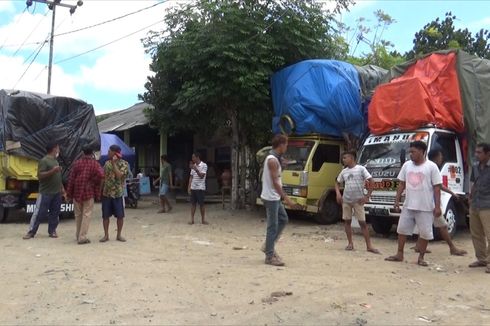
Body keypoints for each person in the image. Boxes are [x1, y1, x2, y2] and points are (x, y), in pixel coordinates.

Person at [385, 141, 442, 267]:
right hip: (408, 205)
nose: (411, 154)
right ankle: (399, 254)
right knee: (402, 230)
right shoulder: (407, 165)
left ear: (422, 151)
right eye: (410, 152)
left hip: (425, 206)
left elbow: (437, 187)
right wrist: (396, 201)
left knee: (425, 233)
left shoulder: (431, 167)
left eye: (413, 152)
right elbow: (401, 184)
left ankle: (421, 258)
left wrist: (437, 206)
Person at [411, 149, 466, 256]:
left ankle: (419, 246)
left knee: (423, 225)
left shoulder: (424, 167)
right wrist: (452, 193)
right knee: (443, 226)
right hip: (431, 203)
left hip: (423, 202)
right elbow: (439, 186)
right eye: (440, 157)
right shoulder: (433, 168)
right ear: (436, 157)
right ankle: (452, 248)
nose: (442, 159)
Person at [261, 134, 300, 266]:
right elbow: (275, 183)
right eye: (286, 144)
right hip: (271, 196)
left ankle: (268, 246)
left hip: (274, 196)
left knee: (283, 219)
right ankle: (269, 255)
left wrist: (283, 165)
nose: (287, 147)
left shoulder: (275, 158)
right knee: (272, 226)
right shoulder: (272, 160)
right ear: (281, 145)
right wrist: (287, 198)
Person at [335, 151, 380, 254]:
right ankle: (350, 243)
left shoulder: (361, 169)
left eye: (345, 158)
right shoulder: (344, 171)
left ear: (352, 158)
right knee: (347, 221)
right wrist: (338, 194)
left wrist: (367, 196)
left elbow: (371, 181)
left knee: (363, 223)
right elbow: (337, 183)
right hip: (346, 200)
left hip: (358, 201)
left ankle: (369, 246)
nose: (343, 160)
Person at [23, 142, 65, 239]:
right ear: (54, 149)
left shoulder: (55, 161)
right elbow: (40, 176)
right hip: (46, 193)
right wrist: (52, 171)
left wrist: (62, 189)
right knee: (39, 213)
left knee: (55, 212)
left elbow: (58, 177)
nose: (59, 150)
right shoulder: (44, 161)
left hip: (56, 193)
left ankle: (52, 231)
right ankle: (31, 232)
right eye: (58, 148)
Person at [66, 144, 104, 244]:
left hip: (77, 192)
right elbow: (101, 174)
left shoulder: (77, 163)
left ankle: (78, 235)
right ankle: (82, 237)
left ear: (83, 152)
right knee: (86, 215)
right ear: (92, 153)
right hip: (88, 192)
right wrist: (93, 181)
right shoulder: (95, 164)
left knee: (78, 215)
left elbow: (71, 179)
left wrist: (69, 194)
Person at [100, 144, 129, 242]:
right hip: (106, 193)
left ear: (114, 153)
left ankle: (119, 235)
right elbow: (103, 177)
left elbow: (120, 176)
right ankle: (106, 235)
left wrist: (113, 163)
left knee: (120, 216)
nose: (108, 153)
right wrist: (100, 190)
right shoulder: (106, 163)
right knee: (105, 216)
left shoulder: (124, 164)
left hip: (117, 193)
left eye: (109, 151)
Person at [468, 143, 490, 272]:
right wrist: (470, 198)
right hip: (475, 204)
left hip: (488, 205)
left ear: (488, 154)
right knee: (476, 233)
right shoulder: (475, 167)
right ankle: (482, 258)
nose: (476, 155)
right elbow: (473, 183)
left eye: (479, 152)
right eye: (476, 152)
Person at [188, 153, 208, 224]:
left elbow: (202, 176)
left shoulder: (204, 165)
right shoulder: (193, 166)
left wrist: (196, 169)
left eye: (193, 157)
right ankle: (192, 219)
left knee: (201, 204)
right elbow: (191, 177)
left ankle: (203, 220)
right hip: (193, 188)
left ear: (197, 157)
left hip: (200, 188)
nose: (192, 159)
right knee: (193, 204)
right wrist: (189, 187)